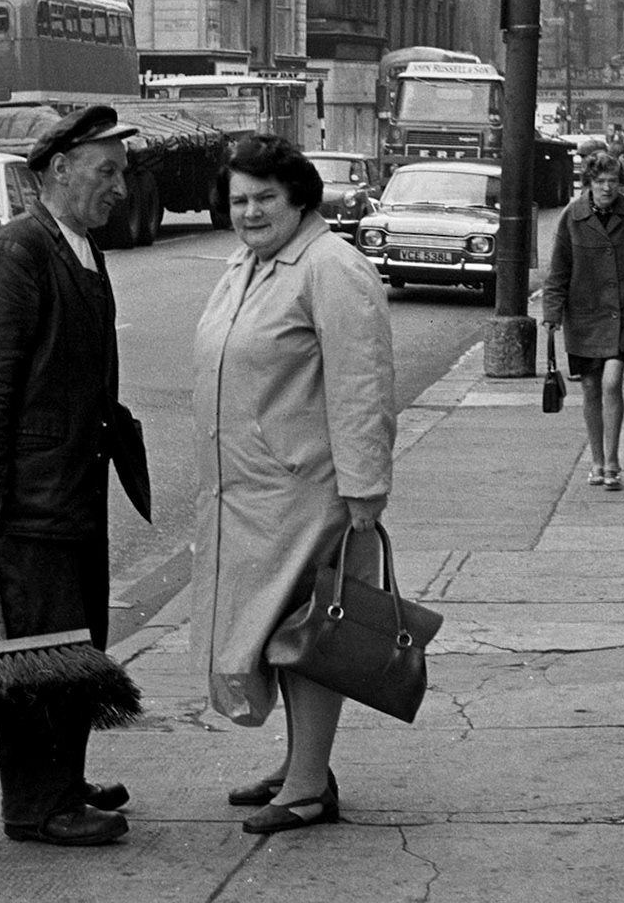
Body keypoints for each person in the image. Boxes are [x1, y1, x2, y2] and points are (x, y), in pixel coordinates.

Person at [0, 104, 144, 848]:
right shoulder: (17, 252)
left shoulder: (80, 247)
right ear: (59, 169)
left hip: (76, 483)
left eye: (122, 173)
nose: (120, 188)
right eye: (107, 171)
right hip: (31, 494)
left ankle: (66, 776)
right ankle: (37, 804)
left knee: (78, 639)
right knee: (40, 646)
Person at [192, 134, 395, 836]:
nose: (249, 212)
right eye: (238, 200)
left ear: (300, 198)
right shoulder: (249, 263)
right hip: (252, 494)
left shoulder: (331, 266)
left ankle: (309, 787)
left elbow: (362, 382)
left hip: (309, 492)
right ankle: (298, 764)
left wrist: (364, 489)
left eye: (265, 198)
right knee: (274, 630)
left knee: (309, 636)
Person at [543, 149, 624, 490]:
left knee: (611, 381)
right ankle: (596, 461)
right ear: (589, 183)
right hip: (582, 315)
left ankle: (613, 460)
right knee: (591, 388)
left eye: (612, 181)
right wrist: (551, 313)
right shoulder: (572, 216)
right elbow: (558, 270)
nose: (607, 188)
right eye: (600, 181)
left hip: (622, 313)